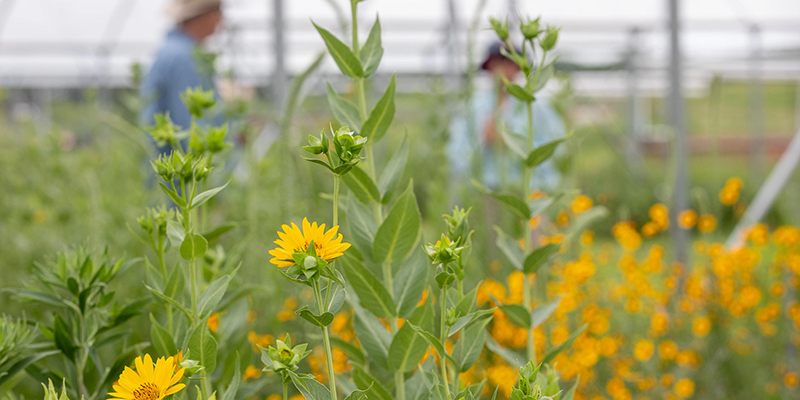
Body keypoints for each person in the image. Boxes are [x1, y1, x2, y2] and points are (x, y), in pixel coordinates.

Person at [449, 42, 566, 190]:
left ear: (518, 67)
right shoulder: (472, 106)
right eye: (497, 63)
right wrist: (483, 139)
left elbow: (557, 148)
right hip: (485, 189)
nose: (503, 70)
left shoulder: (535, 105)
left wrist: (517, 146)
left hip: (530, 189)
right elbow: (455, 154)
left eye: (509, 63)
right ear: (489, 67)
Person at [140, 0, 223, 142]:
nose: (222, 20)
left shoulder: (173, 51)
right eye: (219, 12)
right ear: (205, 16)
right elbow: (189, 126)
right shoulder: (184, 58)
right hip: (181, 163)